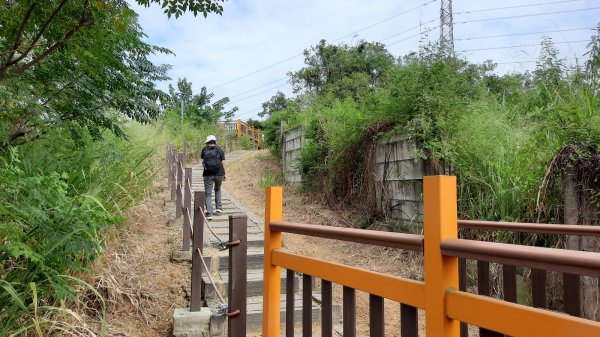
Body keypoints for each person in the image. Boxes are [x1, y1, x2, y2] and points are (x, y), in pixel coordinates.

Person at [201, 135, 226, 220]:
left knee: (208, 193)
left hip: (207, 174)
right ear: (215, 141)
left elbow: (203, 161)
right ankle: (219, 208)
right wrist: (225, 173)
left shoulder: (204, 150)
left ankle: (209, 213)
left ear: (207, 142)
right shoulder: (219, 150)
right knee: (218, 189)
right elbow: (223, 162)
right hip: (219, 174)